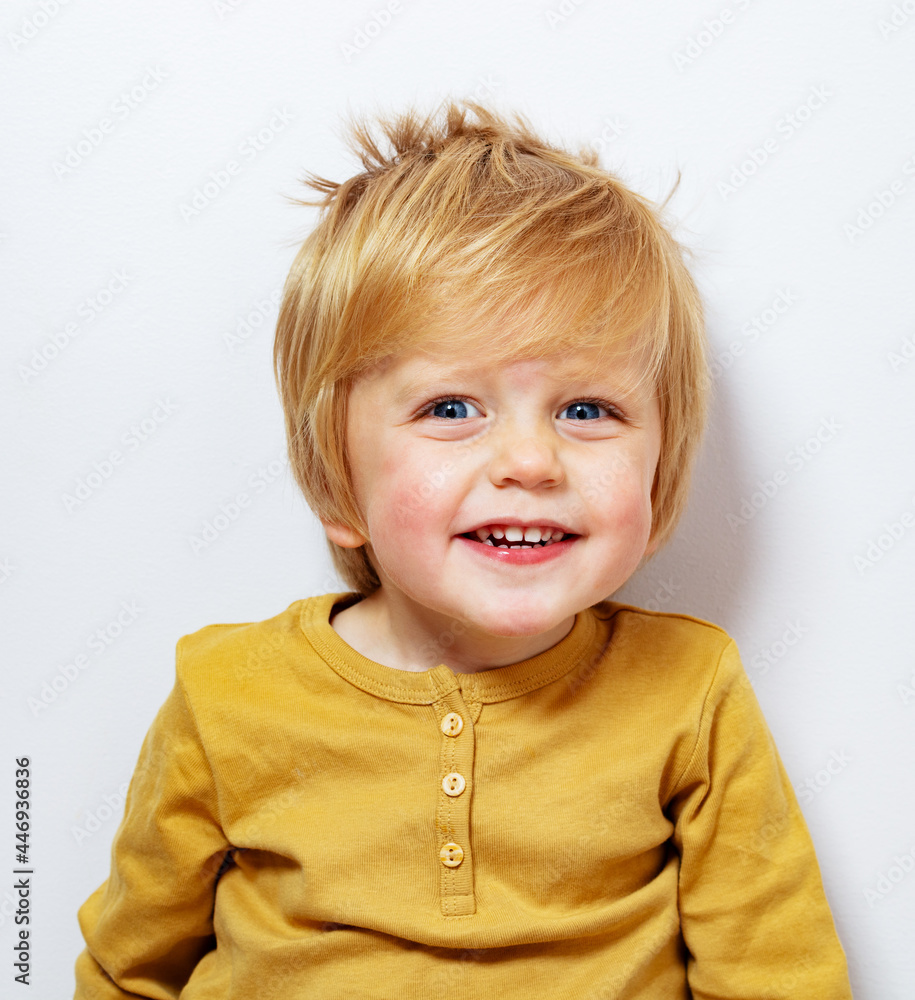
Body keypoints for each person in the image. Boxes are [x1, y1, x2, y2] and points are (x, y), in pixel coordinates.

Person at [73, 99, 854, 999]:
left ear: (659, 469)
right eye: (451, 408)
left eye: (585, 409)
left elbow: (778, 979)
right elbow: (128, 972)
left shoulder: (689, 687)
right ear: (337, 480)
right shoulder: (225, 694)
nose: (529, 460)